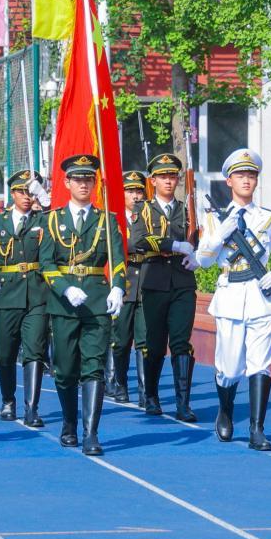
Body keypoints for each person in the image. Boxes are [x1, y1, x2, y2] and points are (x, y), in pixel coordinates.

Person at [195, 148, 271, 451]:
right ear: (229, 181)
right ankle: (225, 411)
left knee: (260, 364)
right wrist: (218, 235)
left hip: (261, 298)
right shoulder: (214, 219)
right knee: (229, 366)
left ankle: (257, 429)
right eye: (241, 175)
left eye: (251, 175)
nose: (247, 180)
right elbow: (204, 259)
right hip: (231, 298)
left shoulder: (268, 219)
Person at [39, 154, 127, 456]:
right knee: (64, 369)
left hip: (96, 300)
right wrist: (64, 288)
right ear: (67, 183)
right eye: (78, 179)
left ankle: (91, 433)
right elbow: (46, 263)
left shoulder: (106, 220)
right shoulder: (52, 220)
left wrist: (117, 287)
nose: (83, 184)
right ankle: (68, 423)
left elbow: (117, 259)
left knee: (94, 366)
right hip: (64, 304)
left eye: (88, 179)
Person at [130, 154, 201, 421]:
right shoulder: (143, 209)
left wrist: (197, 254)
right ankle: (151, 396)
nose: (169, 181)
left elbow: (199, 239)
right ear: (153, 180)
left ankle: (183, 403)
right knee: (155, 343)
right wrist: (173, 245)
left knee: (181, 342)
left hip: (182, 282)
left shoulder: (187, 209)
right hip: (155, 282)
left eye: (172, 176)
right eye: (163, 176)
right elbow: (139, 240)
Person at [0, 169, 51, 426]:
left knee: (35, 351)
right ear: (12, 193)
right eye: (23, 191)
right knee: (6, 352)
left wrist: (48, 201)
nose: (27, 197)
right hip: (8, 293)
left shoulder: (43, 221)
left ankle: (32, 408)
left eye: (31, 192)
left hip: (37, 294)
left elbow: (59, 223)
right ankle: (8, 400)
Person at [110, 171, 149, 405]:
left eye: (138, 191)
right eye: (130, 191)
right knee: (121, 339)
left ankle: (145, 391)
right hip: (122, 284)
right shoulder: (113, 220)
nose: (135, 196)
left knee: (144, 340)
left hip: (145, 282)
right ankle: (121, 384)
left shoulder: (150, 218)